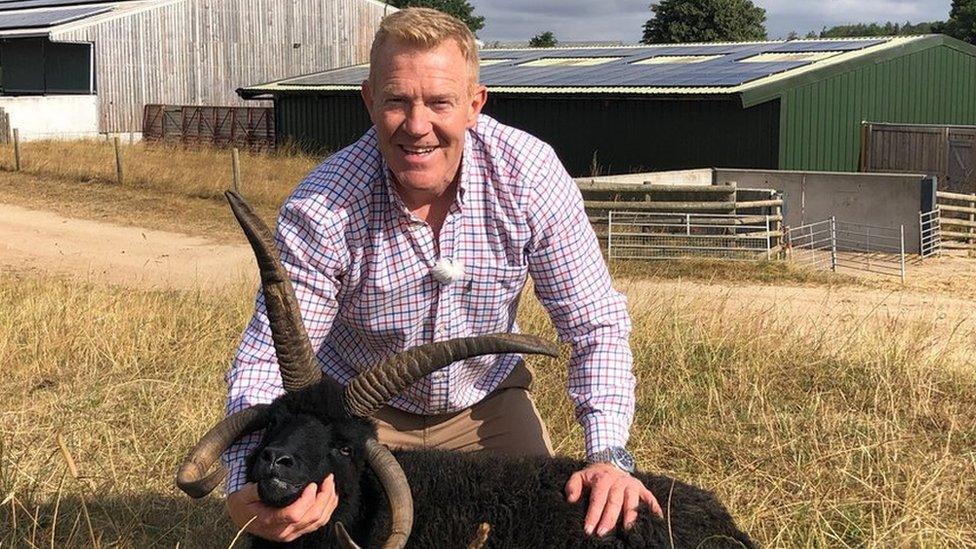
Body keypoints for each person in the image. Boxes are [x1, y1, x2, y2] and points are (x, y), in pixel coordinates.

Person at [222, 7, 661, 543]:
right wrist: (246, 486)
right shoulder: (324, 205)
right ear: (368, 100)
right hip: (359, 422)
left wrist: (610, 456)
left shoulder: (528, 175)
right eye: (397, 101)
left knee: (555, 526)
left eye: (439, 102)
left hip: (486, 407)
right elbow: (270, 360)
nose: (417, 125)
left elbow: (594, 324)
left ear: (475, 105)